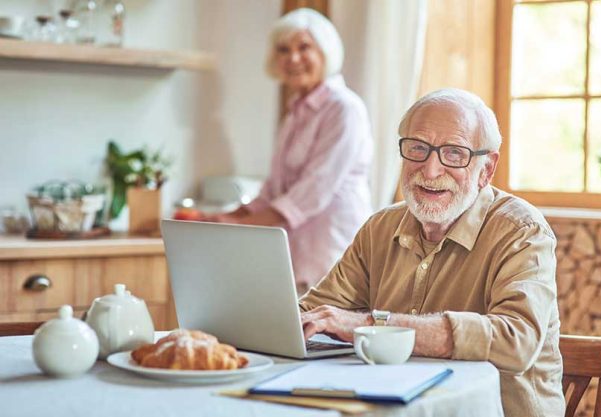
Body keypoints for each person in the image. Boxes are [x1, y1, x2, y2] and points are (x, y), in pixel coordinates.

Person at [299, 88, 565, 417]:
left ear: (487, 168)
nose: (430, 169)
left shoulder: (522, 231)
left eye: (454, 154)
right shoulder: (379, 228)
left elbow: (516, 341)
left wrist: (370, 325)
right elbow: (315, 313)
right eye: (418, 149)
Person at [207, 8, 373, 292]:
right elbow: (274, 189)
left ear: (325, 50)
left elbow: (312, 191)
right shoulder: (295, 113)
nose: (293, 58)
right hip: (295, 254)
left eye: (304, 47)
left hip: (332, 251)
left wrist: (241, 226)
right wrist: (232, 215)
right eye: (284, 50)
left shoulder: (344, 108)